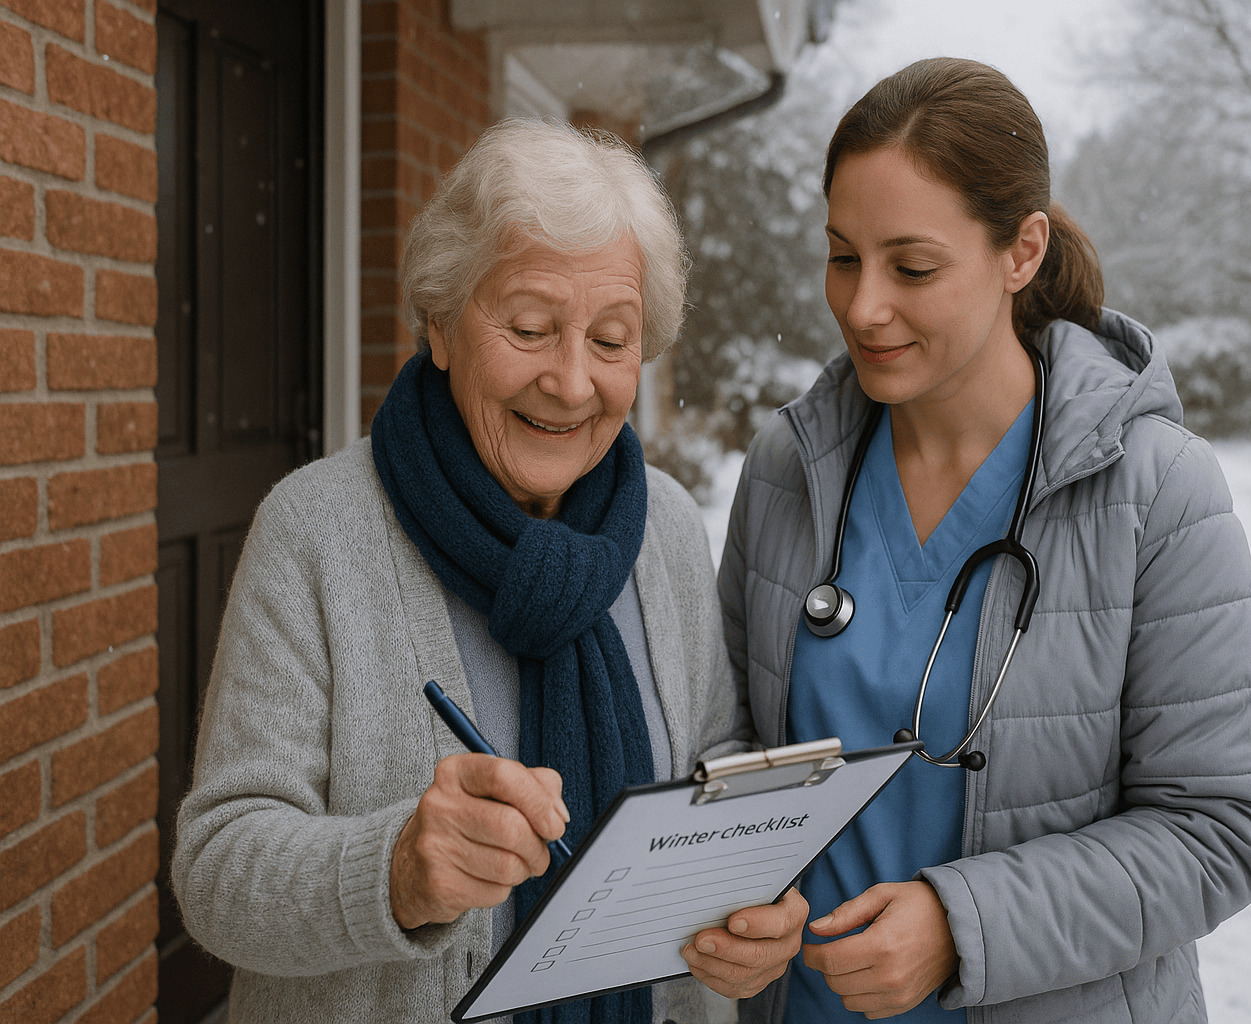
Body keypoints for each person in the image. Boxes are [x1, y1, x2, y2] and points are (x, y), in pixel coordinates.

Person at [173, 118, 806, 1023]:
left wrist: (749, 887)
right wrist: (395, 872)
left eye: (612, 339)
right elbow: (218, 873)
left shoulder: (662, 525)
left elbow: (713, 760)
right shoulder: (318, 531)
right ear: (439, 321)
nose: (573, 382)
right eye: (531, 326)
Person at [718, 58, 1251, 1023]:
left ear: (1022, 252)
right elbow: (728, 739)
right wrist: (727, 889)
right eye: (843, 256)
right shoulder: (788, 468)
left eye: (913, 266)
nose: (862, 308)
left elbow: (1215, 830)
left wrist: (960, 925)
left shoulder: (1159, 495)